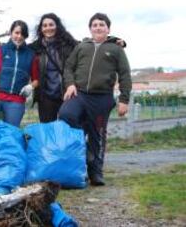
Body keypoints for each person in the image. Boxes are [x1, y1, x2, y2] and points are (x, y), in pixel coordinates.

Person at [58, 13, 132, 186]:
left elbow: (124, 75)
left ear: (108, 29)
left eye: (102, 25)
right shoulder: (82, 46)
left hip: (102, 98)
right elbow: (69, 67)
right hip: (80, 94)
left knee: (97, 135)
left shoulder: (116, 49)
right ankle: (79, 156)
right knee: (65, 114)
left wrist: (124, 99)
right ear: (90, 28)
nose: (98, 27)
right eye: (95, 25)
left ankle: (95, 172)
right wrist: (70, 84)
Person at [29, 13, 127, 123]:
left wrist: (113, 40)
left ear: (57, 26)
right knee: (47, 129)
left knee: (68, 126)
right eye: (45, 25)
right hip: (46, 96)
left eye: (51, 25)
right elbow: (21, 49)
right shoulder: (36, 47)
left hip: (67, 92)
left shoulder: (68, 43)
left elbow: (92, 43)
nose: (48, 28)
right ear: (41, 29)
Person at [0, 20, 39, 127]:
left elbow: (36, 80)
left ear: (25, 36)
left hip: (16, 100)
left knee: (10, 133)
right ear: (11, 33)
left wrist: (31, 86)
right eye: (16, 33)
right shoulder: (1, 50)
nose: (19, 36)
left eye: (22, 34)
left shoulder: (31, 55)